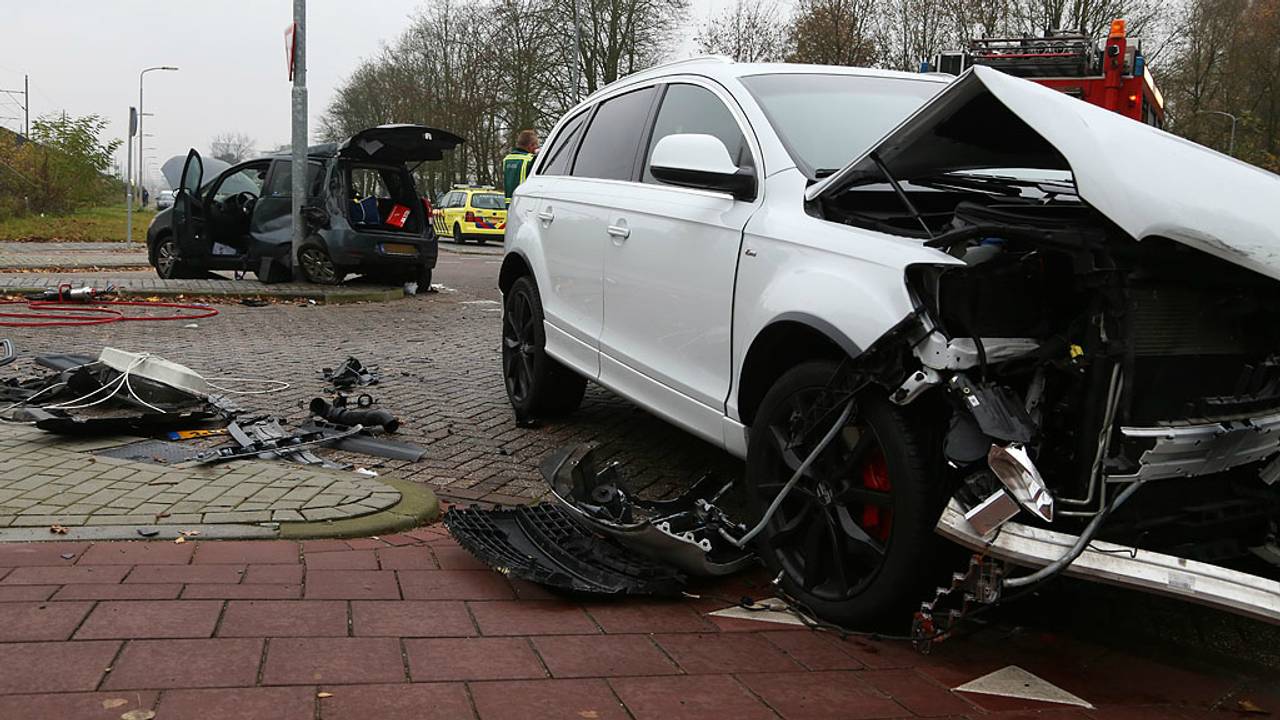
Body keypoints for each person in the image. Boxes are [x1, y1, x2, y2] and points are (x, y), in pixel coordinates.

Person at [502, 130, 538, 206]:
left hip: (509, 203)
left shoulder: (507, 159)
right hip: (524, 203)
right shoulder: (530, 159)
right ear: (530, 146)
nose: (536, 147)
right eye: (536, 145)